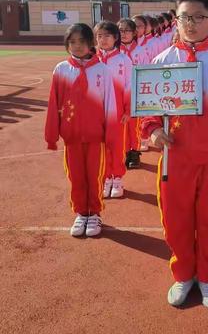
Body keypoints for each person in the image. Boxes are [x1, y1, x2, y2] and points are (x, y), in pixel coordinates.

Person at [142, 0, 208, 310]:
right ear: (177, 20)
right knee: (176, 219)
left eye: (198, 17)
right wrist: (154, 131)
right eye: (184, 17)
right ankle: (184, 273)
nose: (190, 24)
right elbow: (148, 110)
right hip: (175, 158)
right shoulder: (162, 61)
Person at [45, 23, 117, 237]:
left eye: (82, 41)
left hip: (96, 137)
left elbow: (109, 104)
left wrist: (111, 136)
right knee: (76, 176)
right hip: (72, 137)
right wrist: (52, 136)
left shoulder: (102, 70)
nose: (77, 46)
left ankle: (94, 212)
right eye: (72, 42)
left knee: (95, 176)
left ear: (91, 43)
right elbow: (53, 103)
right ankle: (81, 213)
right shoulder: (61, 69)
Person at [94, 21, 132, 198]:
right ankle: (106, 177)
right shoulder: (92, 59)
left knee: (116, 146)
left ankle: (117, 177)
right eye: (99, 36)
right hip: (96, 112)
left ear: (115, 38)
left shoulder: (124, 60)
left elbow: (129, 86)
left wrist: (127, 110)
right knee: (100, 146)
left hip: (116, 112)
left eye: (107, 35)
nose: (103, 39)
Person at [118, 18, 148, 169]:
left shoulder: (140, 51)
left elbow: (146, 73)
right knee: (121, 125)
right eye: (120, 30)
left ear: (134, 33)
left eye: (127, 30)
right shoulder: (115, 52)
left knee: (134, 125)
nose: (123, 34)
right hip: (118, 95)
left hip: (135, 95)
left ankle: (134, 153)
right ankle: (122, 152)